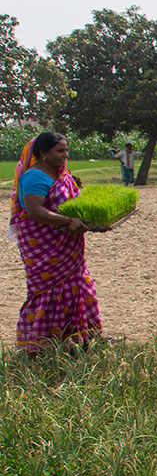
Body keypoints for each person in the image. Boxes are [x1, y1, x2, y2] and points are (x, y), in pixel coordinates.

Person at [8, 132, 102, 353]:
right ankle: (41, 346)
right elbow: (34, 210)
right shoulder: (34, 177)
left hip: (69, 247)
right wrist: (68, 221)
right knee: (48, 292)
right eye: (59, 151)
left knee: (78, 287)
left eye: (66, 150)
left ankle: (81, 338)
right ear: (42, 153)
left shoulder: (62, 175)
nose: (65, 155)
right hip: (44, 248)